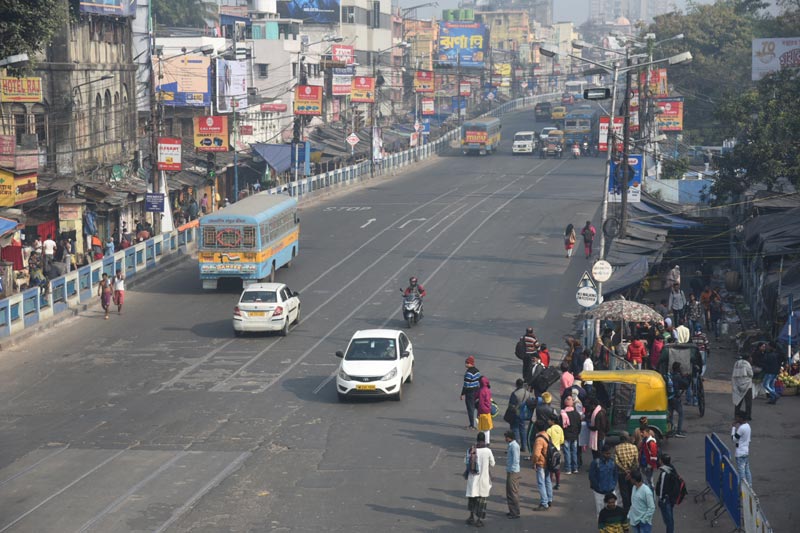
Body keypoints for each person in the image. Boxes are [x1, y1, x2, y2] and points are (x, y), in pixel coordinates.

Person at [465, 431, 496, 527]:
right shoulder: (488, 451)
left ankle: (471, 517)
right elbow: (493, 463)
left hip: (473, 479)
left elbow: (465, 461)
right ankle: (478, 520)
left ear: (477, 439)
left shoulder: (471, 449)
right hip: (484, 479)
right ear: (484, 440)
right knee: (481, 501)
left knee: (472, 499)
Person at [589, 443, 619, 515]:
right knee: (600, 513)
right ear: (602, 453)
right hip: (599, 493)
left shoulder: (612, 462)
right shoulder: (595, 463)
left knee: (614, 512)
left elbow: (615, 474)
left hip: (611, 491)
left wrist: (613, 484)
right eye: (606, 454)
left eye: (609, 453)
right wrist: (597, 487)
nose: (608, 455)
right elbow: (592, 477)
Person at [532, 419, 553, 511]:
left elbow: (536, 454)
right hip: (548, 461)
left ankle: (544, 503)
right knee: (548, 481)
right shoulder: (547, 435)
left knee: (541, 482)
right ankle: (549, 499)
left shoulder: (539, 439)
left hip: (541, 462)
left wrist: (534, 462)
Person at [655, 454, 680, 533]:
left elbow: (662, 488)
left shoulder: (664, 473)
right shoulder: (672, 469)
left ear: (662, 461)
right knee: (670, 519)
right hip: (671, 498)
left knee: (668, 520)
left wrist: (661, 499)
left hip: (665, 500)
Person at [614, 431, 639, 511]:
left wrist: (625, 471)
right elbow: (636, 462)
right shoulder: (634, 447)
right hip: (632, 474)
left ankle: (626, 509)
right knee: (632, 490)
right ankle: (633, 508)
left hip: (622, 474)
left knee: (624, 493)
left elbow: (616, 462)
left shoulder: (617, 448)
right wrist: (630, 471)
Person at [508, 378, 531, 454]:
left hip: (516, 413)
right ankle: (524, 446)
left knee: (515, 429)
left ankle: (516, 446)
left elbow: (511, 405)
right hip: (523, 414)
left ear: (516, 384)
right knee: (523, 429)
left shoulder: (515, 393)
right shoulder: (527, 393)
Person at [666, 362, 689, 437]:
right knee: (681, 414)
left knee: (670, 414)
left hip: (669, 397)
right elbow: (685, 384)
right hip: (675, 398)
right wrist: (684, 376)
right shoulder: (678, 377)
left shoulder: (670, 375)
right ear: (678, 369)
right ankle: (678, 432)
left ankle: (670, 430)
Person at [561, 395, 581, 475]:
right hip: (575, 436)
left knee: (567, 452)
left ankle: (568, 468)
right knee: (574, 452)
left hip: (566, 436)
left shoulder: (563, 414)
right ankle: (575, 468)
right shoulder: (576, 414)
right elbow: (579, 426)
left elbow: (561, 426)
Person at [731, 412, 752, 486]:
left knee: (741, 473)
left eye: (737, 417)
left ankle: (743, 489)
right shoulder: (748, 426)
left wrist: (733, 427)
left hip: (740, 453)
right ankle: (749, 486)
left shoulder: (741, 428)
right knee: (747, 470)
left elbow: (733, 439)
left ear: (741, 418)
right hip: (746, 452)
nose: (736, 419)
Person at [460, 356, 481, 430]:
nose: (465, 364)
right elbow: (479, 381)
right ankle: (478, 423)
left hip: (470, 393)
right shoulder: (477, 371)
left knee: (470, 409)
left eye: (466, 363)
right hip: (477, 391)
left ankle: (472, 425)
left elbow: (466, 385)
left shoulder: (468, 373)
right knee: (476, 408)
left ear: (470, 363)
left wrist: (462, 394)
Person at [504, 430, 521, 519]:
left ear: (510, 437)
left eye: (506, 437)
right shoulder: (511, 445)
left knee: (513, 492)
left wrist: (511, 470)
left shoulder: (514, 446)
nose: (505, 439)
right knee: (509, 492)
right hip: (511, 471)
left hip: (513, 472)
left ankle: (515, 512)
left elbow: (516, 460)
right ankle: (512, 511)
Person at [732, 354, 754, 420]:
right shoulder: (747, 364)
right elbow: (751, 374)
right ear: (748, 358)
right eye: (751, 357)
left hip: (737, 384)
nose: (751, 359)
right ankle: (748, 415)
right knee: (748, 401)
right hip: (747, 385)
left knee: (738, 400)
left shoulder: (737, 363)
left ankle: (736, 414)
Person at [546, 414, 565, 490]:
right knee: (557, 468)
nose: (548, 421)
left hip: (550, 451)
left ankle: (549, 483)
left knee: (550, 468)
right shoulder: (560, 428)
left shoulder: (549, 430)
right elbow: (562, 440)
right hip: (558, 450)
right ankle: (557, 483)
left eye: (549, 420)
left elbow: (547, 441)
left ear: (552, 421)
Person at [476, 376, 493, 444]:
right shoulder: (488, 390)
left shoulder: (481, 390)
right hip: (487, 411)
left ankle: (483, 441)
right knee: (487, 428)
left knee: (482, 428)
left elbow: (479, 402)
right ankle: (487, 441)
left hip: (482, 411)